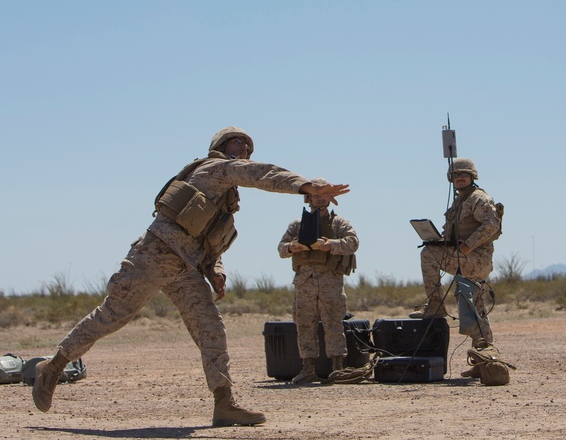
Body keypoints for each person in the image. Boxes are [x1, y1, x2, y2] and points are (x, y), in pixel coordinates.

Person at [31, 127, 349, 427]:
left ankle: (224, 403)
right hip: (154, 255)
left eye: (249, 147)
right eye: (238, 143)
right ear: (221, 147)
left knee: (211, 328)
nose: (246, 149)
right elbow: (262, 173)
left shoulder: (227, 198)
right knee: (112, 316)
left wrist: (216, 271)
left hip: (185, 268)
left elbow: (208, 240)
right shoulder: (214, 169)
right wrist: (306, 186)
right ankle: (54, 365)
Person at [410, 158, 500, 349]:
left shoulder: (478, 199)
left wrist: (469, 245)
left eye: (463, 174)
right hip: (467, 258)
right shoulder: (460, 201)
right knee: (473, 304)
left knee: (428, 254)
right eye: (455, 175)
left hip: (476, 259)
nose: (459, 178)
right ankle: (485, 355)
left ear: (472, 176)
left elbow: (492, 224)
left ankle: (435, 305)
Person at [277, 180, 359, 384]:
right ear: (309, 198)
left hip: (330, 280)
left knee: (333, 324)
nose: (319, 199)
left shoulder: (339, 223)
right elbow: (281, 248)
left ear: (330, 198)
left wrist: (331, 245)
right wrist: (292, 248)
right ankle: (308, 368)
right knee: (304, 324)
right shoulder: (297, 224)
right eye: (316, 195)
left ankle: (338, 368)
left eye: (324, 195)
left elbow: (353, 243)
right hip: (304, 282)